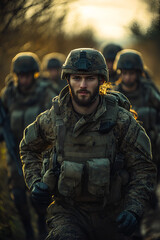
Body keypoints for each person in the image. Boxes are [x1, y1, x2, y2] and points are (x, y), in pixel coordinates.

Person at [20, 48, 156, 240]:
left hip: (113, 214)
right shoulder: (52, 119)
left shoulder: (121, 120)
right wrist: (35, 183)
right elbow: (27, 148)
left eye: (90, 78)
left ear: (101, 80)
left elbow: (143, 168)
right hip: (68, 213)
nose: (82, 85)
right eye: (76, 78)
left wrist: (133, 209)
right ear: (67, 80)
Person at [0, 52, 57, 240]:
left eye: (27, 75)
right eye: (20, 76)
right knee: (18, 196)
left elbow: (54, 123)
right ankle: (28, 232)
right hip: (14, 153)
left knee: (39, 196)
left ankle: (42, 227)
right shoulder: (8, 94)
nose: (24, 80)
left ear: (34, 74)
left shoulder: (45, 92)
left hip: (40, 154)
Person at [113, 49, 160, 177]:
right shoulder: (114, 94)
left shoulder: (149, 92)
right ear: (120, 73)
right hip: (124, 151)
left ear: (138, 73)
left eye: (132, 73)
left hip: (150, 149)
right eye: (125, 73)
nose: (128, 77)